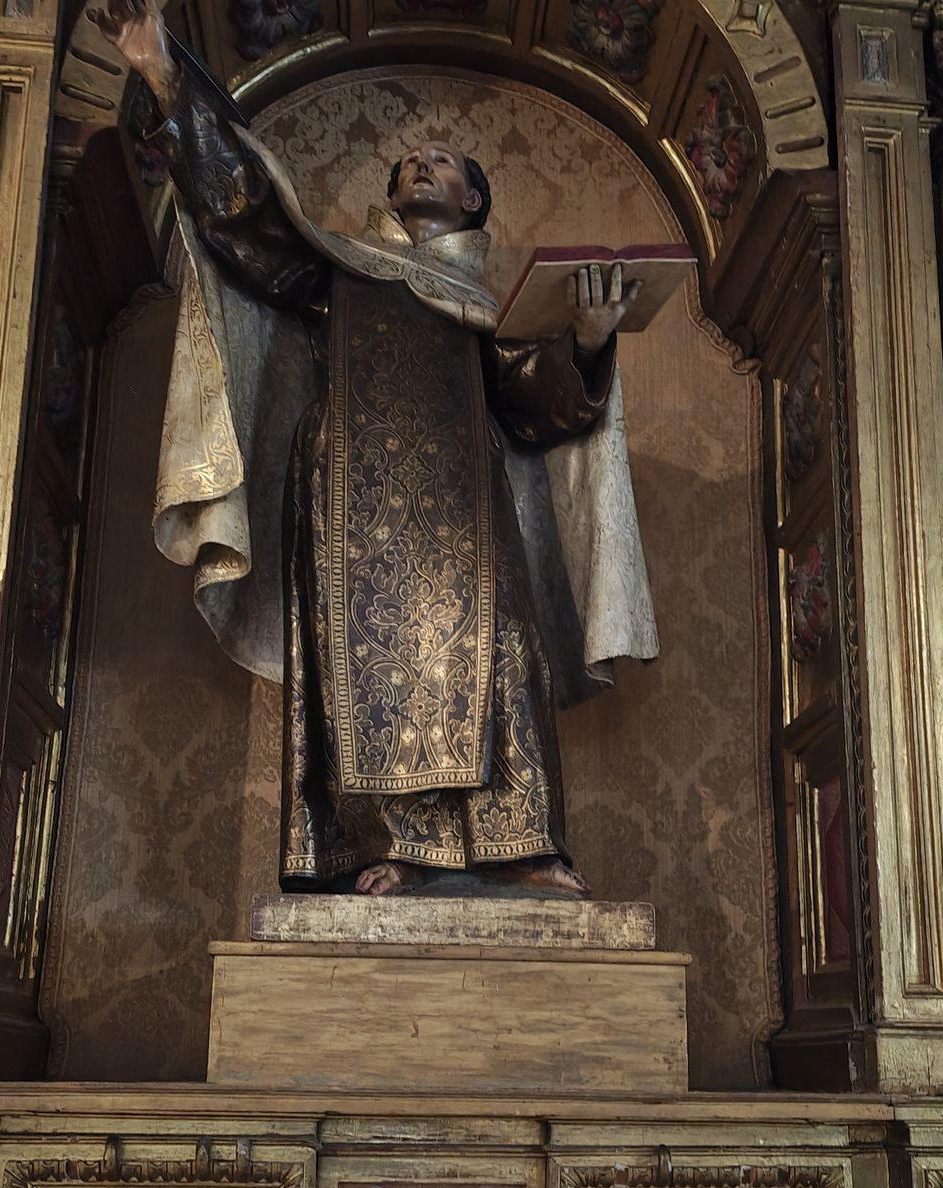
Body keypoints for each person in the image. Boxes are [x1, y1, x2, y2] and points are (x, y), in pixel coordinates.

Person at [92, 0, 657, 898]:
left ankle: (524, 844)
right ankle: (387, 849)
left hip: (466, 500)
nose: (417, 165)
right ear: (391, 201)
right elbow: (247, 212)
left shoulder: (489, 310)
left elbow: (532, 401)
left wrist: (586, 343)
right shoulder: (342, 270)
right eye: (406, 164)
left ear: (472, 197)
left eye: (439, 161)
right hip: (350, 493)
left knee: (503, 648)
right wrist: (166, 73)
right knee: (368, 663)